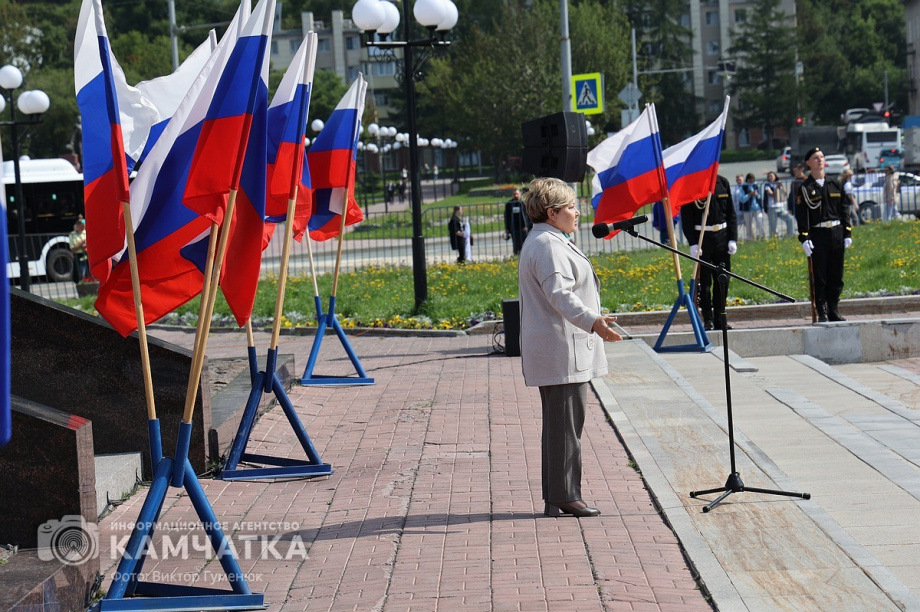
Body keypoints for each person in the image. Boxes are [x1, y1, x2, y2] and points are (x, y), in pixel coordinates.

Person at [517, 177, 622, 518]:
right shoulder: (547, 245)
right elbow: (560, 295)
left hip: (562, 348)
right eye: (572, 207)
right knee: (565, 426)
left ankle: (559, 494)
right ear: (552, 212)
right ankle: (564, 495)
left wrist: (594, 317)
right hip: (561, 350)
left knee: (563, 425)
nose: (578, 213)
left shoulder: (550, 239)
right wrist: (593, 321)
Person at [795, 147, 853, 322]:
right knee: (820, 276)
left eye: (821, 157)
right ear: (808, 163)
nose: (819, 160)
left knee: (836, 274)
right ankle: (822, 311)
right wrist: (804, 237)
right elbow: (802, 215)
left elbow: (844, 209)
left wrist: (847, 232)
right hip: (818, 234)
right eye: (815, 158)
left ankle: (834, 309)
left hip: (836, 232)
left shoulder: (835, 184)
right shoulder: (805, 188)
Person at [680, 176, 738, 330]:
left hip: (722, 237)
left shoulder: (723, 183)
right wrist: (692, 242)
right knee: (704, 283)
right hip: (702, 239)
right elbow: (686, 218)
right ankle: (708, 319)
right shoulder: (692, 184)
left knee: (722, 281)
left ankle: (720, 318)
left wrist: (732, 238)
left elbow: (731, 213)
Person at [763, 171, 794, 237]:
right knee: (773, 225)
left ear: (775, 176)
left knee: (790, 218)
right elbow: (772, 195)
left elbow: (785, 193)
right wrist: (777, 187)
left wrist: (781, 185)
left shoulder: (778, 184)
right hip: (771, 207)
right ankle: (774, 238)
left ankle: (790, 235)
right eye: (769, 176)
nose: (770, 177)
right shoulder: (767, 185)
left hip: (780, 207)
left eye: (772, 176)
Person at [504, 188, 532, 255]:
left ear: (520, 194)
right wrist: (507, 228)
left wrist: (527, 226)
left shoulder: (524, 204)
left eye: (517, 194)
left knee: (525, 245)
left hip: (524, 229)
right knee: (516, 245)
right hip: (514, 228)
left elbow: (529, 217)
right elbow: (506, 217)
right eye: (514, 194)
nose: (516, 195)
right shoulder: (509, 204)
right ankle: (516, 257)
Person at [738, 173, 764, 240]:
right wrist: (749, 195)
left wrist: (757, 195)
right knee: (748, 225)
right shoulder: (743, 187)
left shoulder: (756, 186)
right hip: (747, 209)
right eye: (750, 180)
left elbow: (760, 196)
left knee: (759, 221)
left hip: (757, 207)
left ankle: (762, 236)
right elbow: (742, 199)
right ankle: (750, 238)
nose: (751, 181)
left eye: (752, 180)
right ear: (747, 180)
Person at [68, 217, 89, 283]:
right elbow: (72, 249)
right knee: (79, 273)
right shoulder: (72, 235)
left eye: (84, 226)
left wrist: (85, 245)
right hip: (78, 255)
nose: (83, 228)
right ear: (77, 226)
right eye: (82, 226)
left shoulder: (86, 233)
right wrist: (81, 244)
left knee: (87, 273)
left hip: (86, 254)